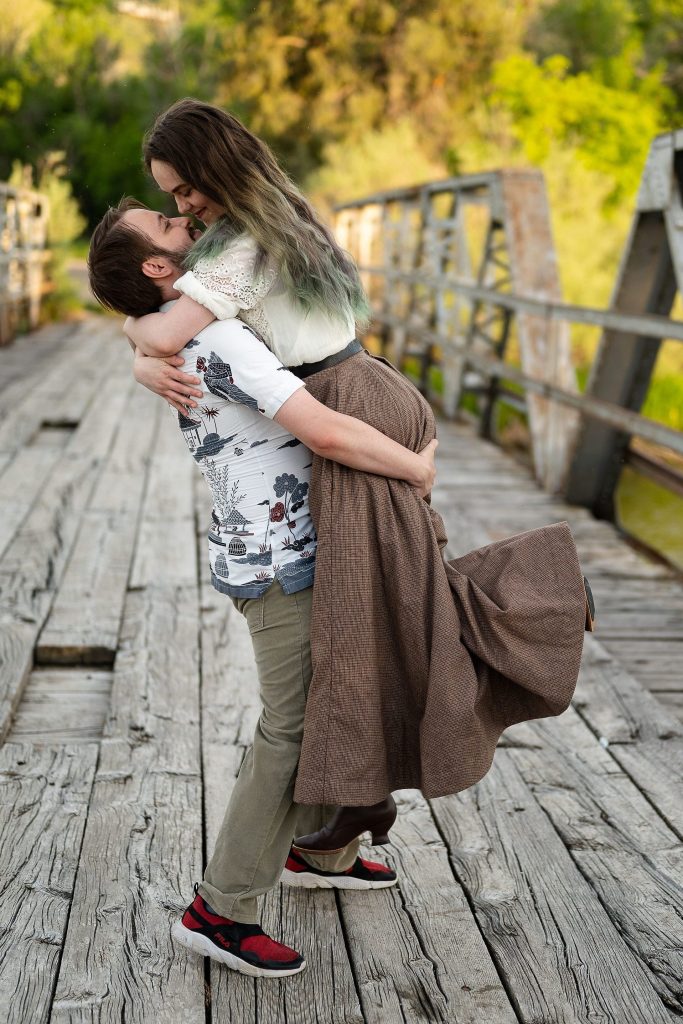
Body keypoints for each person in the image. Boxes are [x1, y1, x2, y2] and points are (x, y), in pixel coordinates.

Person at [124, 99, 596, 857]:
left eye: (184, 189)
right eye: (172, 199)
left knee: (405, 598)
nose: (184, 206)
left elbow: (165, 328)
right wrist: (141, 353)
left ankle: (550, 593)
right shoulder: (274, 216)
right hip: (365, 386)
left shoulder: (241, 245)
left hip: (347, 405)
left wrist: (133, 341)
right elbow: (176, 325)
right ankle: (354, 808)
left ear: (214, 166)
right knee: (369, 604)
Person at [88, 198, 440, 978]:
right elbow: (324, 430)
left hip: (283, 547)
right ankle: (220, 910)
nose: (188, 223)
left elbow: (154, 326)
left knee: (340, 694)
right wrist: (414, 466)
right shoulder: (216, 339)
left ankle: (320, 849)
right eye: (170, 225)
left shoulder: (188, 331)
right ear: (160, 266)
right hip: (280, 562)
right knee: (291, 726)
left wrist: (136, 342)